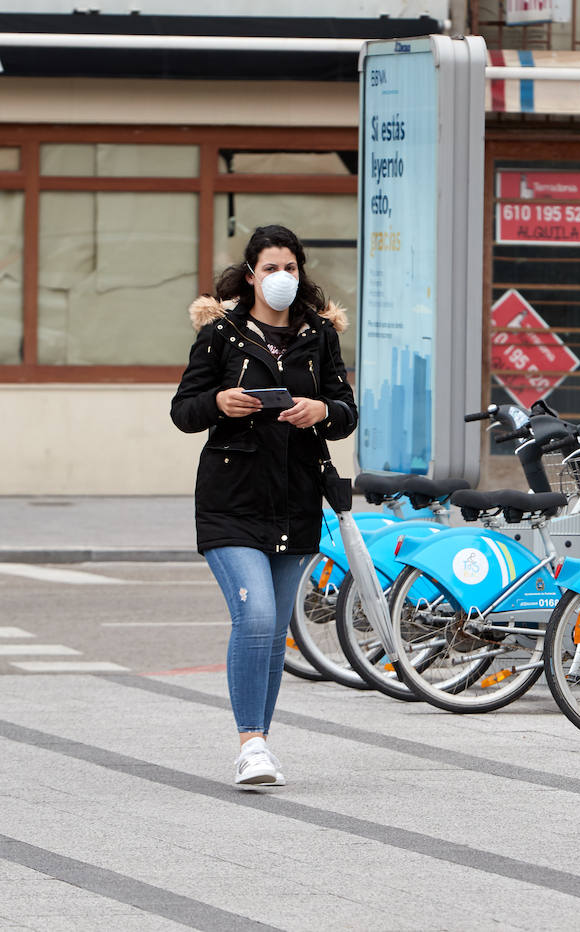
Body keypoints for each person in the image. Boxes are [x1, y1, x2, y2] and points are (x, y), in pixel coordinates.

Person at [171, 225, 357, 788]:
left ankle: (262, 744)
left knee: (274, 629)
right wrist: (219, 402)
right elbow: (184, 410)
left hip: (296, 495)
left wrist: (319, 411)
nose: (282, 277)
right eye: (271, 267)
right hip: (232, 497)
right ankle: (250, 744)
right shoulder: (221, 333)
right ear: (250, 273)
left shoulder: (319, 334)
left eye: (291, 268)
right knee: (253, 618)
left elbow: (346, 410)